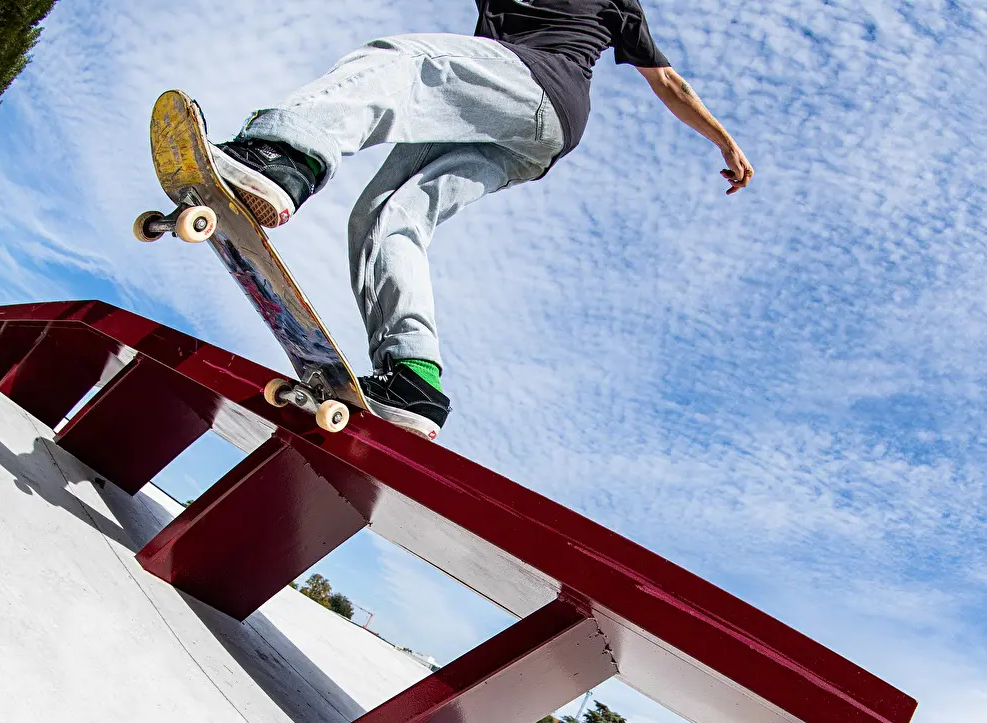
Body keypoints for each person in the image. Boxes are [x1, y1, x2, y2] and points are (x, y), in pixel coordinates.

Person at [210, 1, 753, 440]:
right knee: (389, 215)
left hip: (536, 86)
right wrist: (726, 145)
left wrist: (724, 140)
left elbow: (669, 83)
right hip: (535, 135)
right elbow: (668, 83)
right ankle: (413, 378)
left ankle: (285, 157)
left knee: (402, 62)